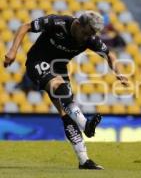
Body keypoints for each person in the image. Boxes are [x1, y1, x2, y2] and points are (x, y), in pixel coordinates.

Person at [4, 11, 129, 170]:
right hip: (38, 61)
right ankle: (85, 124)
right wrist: (13, 51)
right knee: (59, 87)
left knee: (65, 113)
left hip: (59, 67)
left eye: (90, 34)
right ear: (78, 24)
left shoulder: (89, 38)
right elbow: (25, 27)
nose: (86, 37)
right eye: (85, 33)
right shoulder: (57, 22)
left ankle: (84, 160)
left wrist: (118, 72)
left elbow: (109, 55)